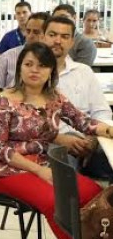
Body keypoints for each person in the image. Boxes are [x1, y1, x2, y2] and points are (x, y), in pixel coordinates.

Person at [0, 41, 113, 239]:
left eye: (42, 66)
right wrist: (38, 170)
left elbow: (81, 121)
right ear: (20, 67)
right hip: (9, 169)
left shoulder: (55, 97)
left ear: (51, 71)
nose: (34, 70)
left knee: (93, 193)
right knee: (58, 203)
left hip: (43, 164)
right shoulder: (4, 100)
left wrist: (105, 129)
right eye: (28, 64)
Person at [41, 16, 113, 181]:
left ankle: (100, 206)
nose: (58, 40)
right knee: (66, 175)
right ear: (43, 37)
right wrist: (61, 140)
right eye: (52, 35)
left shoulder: (84, 72)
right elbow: (24, 122)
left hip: (88, 142)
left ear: (72, 42)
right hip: (52, 145)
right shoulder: (31, 73)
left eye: (65, 37)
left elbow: (102, 112)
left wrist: (93, 139)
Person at [0, 12, 49, 100]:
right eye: (28, 31)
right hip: (11, 107)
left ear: (47, 34)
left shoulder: (52, 59)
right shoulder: (8, 56)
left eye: (36, 32)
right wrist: (7, 106)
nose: (30, 36)